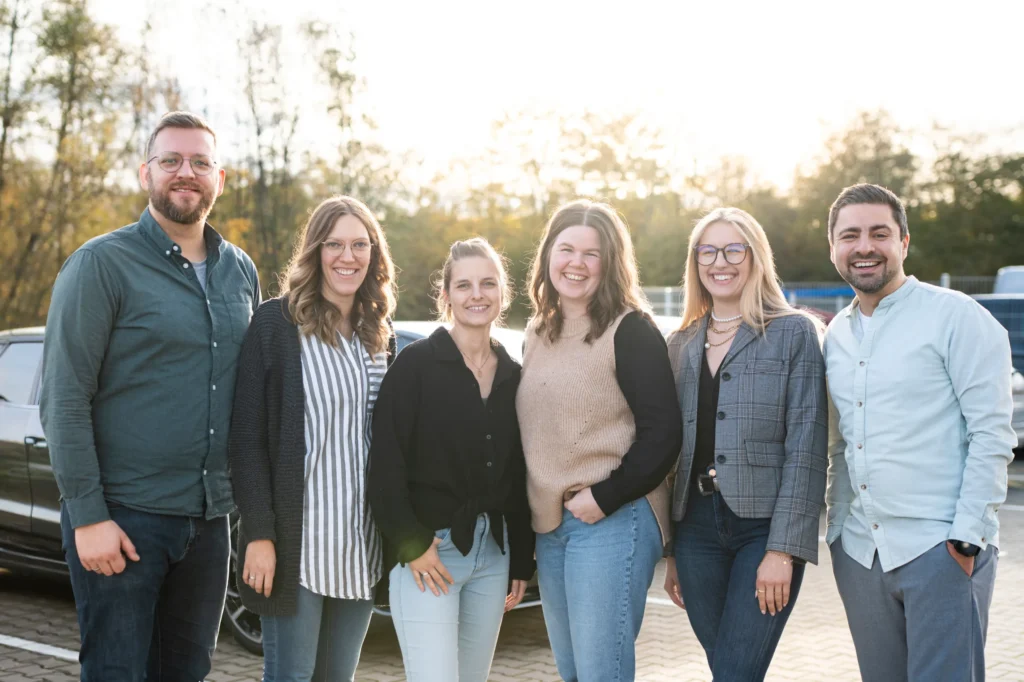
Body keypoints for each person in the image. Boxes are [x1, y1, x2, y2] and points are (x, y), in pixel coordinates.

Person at [38, 111, 261, 681]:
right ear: (147, 173)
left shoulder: (240, 272)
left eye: (200, 162)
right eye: (171, 161)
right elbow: (64, 399)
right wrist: (87, 517)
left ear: (220, 178)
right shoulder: (100, 264)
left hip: (209, 523)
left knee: (187, 672)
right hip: (124, 520)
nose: (186, 173)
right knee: (117, 672)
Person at [823, 184, 1016, 682]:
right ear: (834, 248)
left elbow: (992, 435)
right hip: (861, 553)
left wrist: (967, 540)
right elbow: (841, 444)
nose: (864, 246)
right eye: (850, 235)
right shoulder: (836, 337)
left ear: (904, 242)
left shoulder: (957, 317)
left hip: (942, 550)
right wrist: (839, 532)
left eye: (879, 233)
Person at [227, 196, 396, 681]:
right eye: (335, 244)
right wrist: (258, 533)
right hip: (297, 544)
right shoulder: (277, 324)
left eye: (360, 245)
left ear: (374, 255)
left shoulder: (377, 335)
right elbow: (246, 440)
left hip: (360, 546)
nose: (348, 256)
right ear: (315, 251)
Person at [515, 200, 681, 682]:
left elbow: (664, 431)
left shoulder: (630, 329)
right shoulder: (538, 331)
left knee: (599, 671)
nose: (577, 263)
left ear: (610, 263)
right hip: (554, 525)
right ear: (548, 256)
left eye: (592, 253)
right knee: (574, 671)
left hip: (614, 516)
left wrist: (603, 497)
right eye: (566, 249)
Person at [661, 207, 827, 680]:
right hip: (694, 531)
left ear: (756, 257)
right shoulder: (681, 342)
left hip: (762, 531)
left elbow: (807, 448)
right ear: (696, 262)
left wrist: (784, 551)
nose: (721, 261)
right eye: (708, 250)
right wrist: (672, 552)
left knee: (736, 672)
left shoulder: (792, 332)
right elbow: (674, 452)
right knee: (727, 670)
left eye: (735, 248)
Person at [368, 238, 535, 682]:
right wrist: (410, 545)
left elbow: (518, 475)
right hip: (430, 554)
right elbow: (385, 465)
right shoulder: (415, 366)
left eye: (487, 284)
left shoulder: (515, 375)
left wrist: (521, 559)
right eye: (463, 285)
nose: (476, 294)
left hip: (492, 556)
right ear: (445, 296)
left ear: (503, 293)